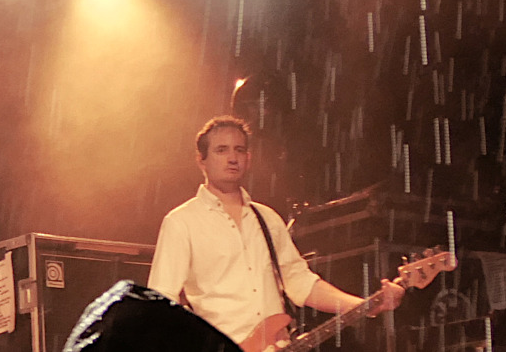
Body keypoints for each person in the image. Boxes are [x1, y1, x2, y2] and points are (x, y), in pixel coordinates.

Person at [147, 116, 405, 350]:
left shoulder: (267, 219)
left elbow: (300, 283)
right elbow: (158, 306)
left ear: (248, 158)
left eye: (239, 149)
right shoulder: (182, 222)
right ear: (201, 160)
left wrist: (365, 306)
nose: (232, 158)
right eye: (221, 150)